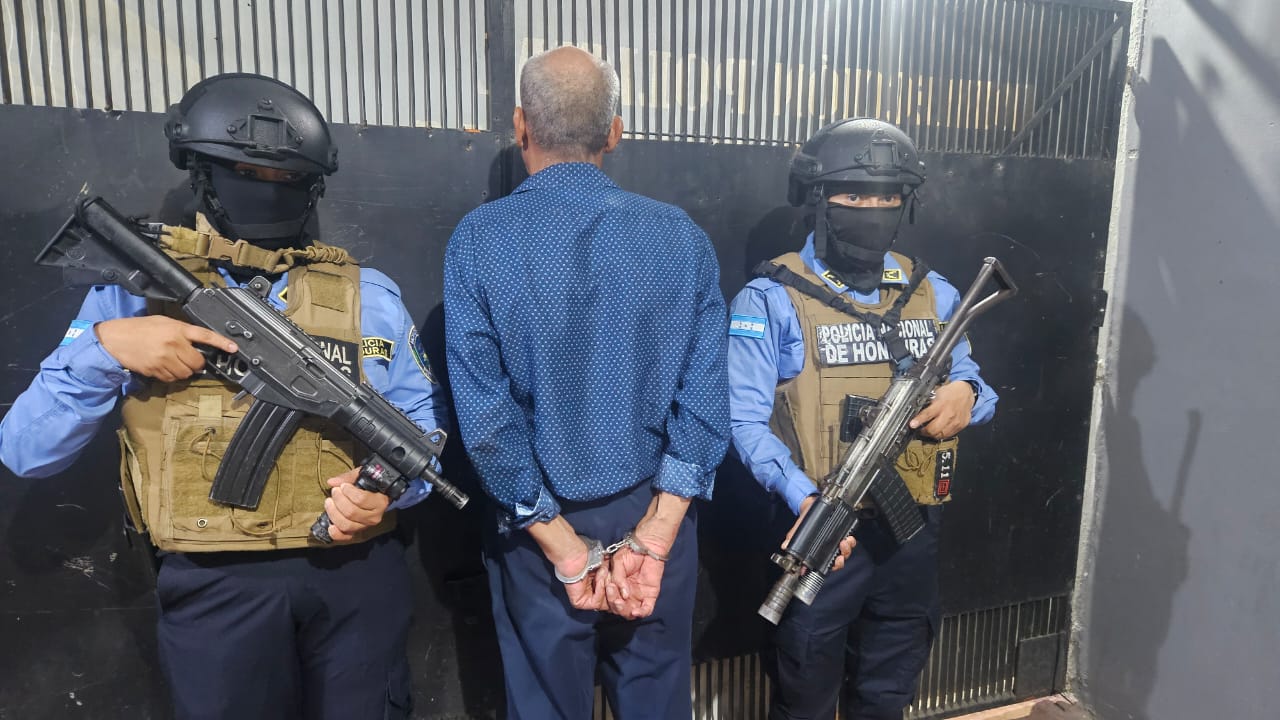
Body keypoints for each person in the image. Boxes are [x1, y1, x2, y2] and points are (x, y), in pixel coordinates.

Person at [0, 73, 448, 720]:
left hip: (358, 576)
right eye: (245, 171)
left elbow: (422, 425)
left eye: (284, 177)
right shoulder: (132, 295)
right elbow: (25, 450)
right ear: (201, 172)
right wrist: (106, 347)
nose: (266, 186)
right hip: (215, 584)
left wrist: (387, 493)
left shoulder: (369, 296)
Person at [443, 46, 730, 719]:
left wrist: (563, 547)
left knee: (545, 705)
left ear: (520, 125)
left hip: (537, 529)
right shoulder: (681, 238)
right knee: (657, 700)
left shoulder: (479, 240)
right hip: (656, 511)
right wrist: (656, 535)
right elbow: (705, 398)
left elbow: (485, 422)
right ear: (615, 132)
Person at [727, 117, 999, 720]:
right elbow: (743, 422)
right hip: (823, 526)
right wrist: (802, 498)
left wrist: (966, 395)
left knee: (889, 686)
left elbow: (978, 387)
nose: (872, 210)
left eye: (887, 197)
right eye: (853, 196)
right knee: (806, 692)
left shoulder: (934, 292)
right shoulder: (771, 298)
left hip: (912, 531)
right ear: (819, 198)